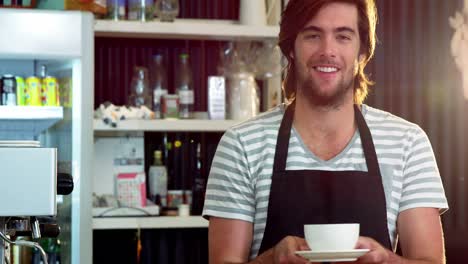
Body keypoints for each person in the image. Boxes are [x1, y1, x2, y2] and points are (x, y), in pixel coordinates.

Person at [203, 0, 449, 263]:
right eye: (313, 35)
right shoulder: (241, 145)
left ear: (362, 51)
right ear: (292, 49)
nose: (327, 50)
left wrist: (387, 260)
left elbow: (430, 261)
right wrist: (271, 259)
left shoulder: (408, 143)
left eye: (343, 36)